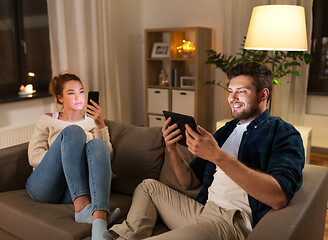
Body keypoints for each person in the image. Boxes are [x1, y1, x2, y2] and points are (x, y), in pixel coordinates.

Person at [109, 61, 305, 240]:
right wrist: (172, 148)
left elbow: (278, 197)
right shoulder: (225, 130)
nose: (232, 98)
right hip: (202, 210)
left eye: (242, 91)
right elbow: (188, 182)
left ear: (264, 94)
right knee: (148, 187)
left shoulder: (283, 133)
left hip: (232, 222)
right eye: (230, 91)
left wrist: (217, 156)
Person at [26, 73, 120, 240]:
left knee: (97, 145)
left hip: (73, 189)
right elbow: (34, 156)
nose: (78, 97)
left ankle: (99, 223)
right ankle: (83, 208)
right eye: (71, 93)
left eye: (81, 91)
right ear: (60, 98)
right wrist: (69, 158)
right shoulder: (47, 120)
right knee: (73, 132)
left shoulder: (92, 122)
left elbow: (107, 157)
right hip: (45, 185)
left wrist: (100, 124)